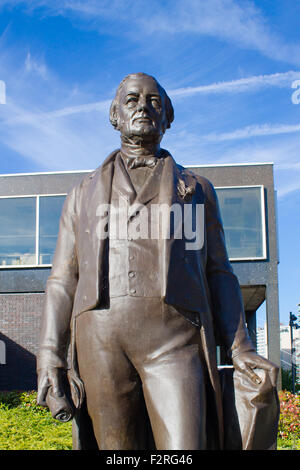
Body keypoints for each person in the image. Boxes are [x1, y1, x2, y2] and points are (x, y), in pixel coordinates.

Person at [37, 72, 278, 450]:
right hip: (100, 340)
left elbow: (220, 274)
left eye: (154, 101)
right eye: (132, 100)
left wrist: (240, 347)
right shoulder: (81, 195)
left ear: (167, 118)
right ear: (114, 115)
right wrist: (50, 354)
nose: (143, 107)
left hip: (175, 338)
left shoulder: (197, 190)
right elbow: (62, 280)